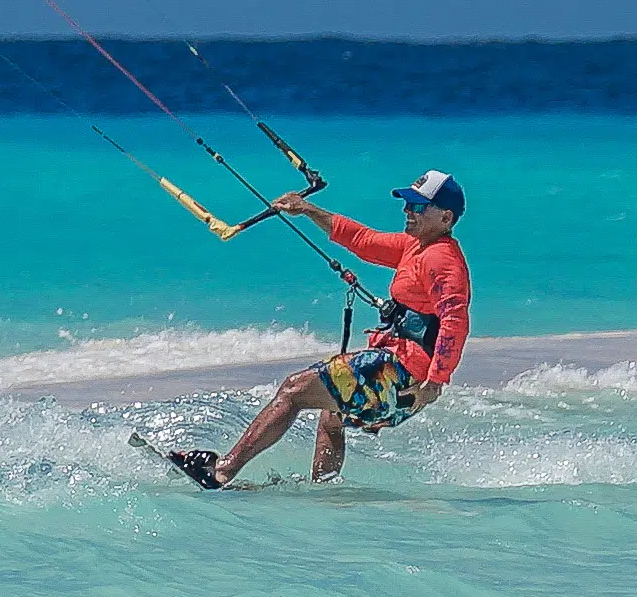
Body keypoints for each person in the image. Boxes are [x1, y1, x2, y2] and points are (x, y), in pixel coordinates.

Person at [169, 170, 471, 488]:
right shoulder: (416, 246)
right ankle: (323, 490)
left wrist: (435, 382)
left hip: (405, 375)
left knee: (294, 389)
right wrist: (308, 209)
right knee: (331, 415)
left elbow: (455, 320)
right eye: (407, 203)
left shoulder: (442, 259)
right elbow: (363, 241)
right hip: (398, 366)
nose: (408, 211)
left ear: (446, 217)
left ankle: (222, 471)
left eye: (418, 206)